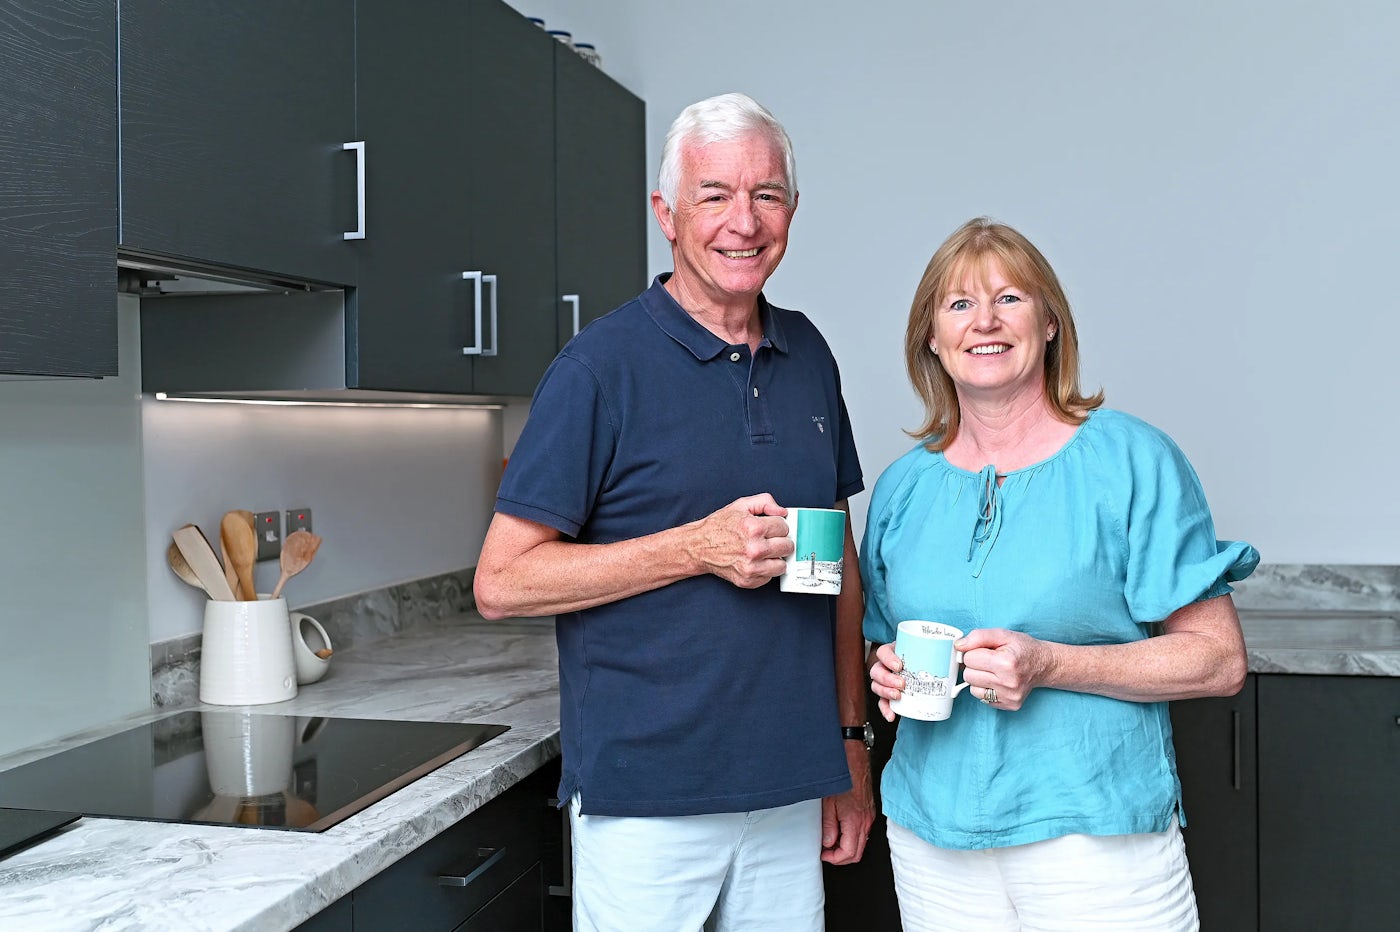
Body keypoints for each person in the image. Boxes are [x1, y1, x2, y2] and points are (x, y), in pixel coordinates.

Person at [474, 92, 874, 931]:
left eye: (767, 195)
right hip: (647, 801)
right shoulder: (598, 368)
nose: (744, 220)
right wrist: (696, 547)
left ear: (792, 212)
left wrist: (849, 744)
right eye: (714, 194)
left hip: (789, 786)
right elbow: (502, 583)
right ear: (666, 213)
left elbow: (832, 569)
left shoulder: (810, 357)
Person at [862, 217, 1258, 931]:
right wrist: (883, 668)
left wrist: (1047, 663)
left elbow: (1219, 660)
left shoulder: (1132, 461)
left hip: (1096, 841)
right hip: (932, 840)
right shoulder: (902, 489)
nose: (984, 321)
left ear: (1049, 324)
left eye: (1009, 299)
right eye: (958, 305)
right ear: (931, 336)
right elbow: (878, 640)